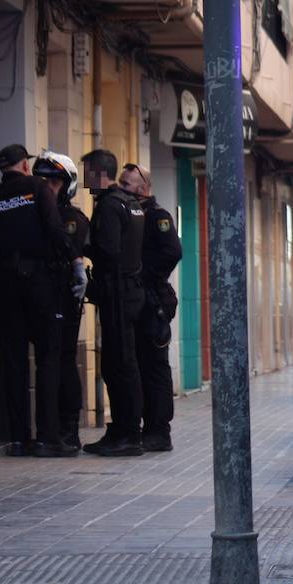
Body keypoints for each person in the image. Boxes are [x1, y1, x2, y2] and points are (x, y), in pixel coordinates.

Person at [0, 144, 86, 457]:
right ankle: (48, 438)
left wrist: (8, 253)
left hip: (5, 286)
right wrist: (75, 262)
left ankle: (19, 438)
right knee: (49, 358)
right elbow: (54, 230)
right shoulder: (38, 189)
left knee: (14, 362)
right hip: (40, 284)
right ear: (25, 166)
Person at [80, 148, 147, 457]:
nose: (84, 180)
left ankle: (126, 433)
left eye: (87, 173)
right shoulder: (131, 204)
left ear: (99, 173)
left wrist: (81, 247)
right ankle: (125, 430)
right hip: (131, 290)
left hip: (118, 293)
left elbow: (107, 251)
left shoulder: (109, 206)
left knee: (118, 365)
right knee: (126, 363)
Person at [118, 162, 182, 453]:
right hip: (136, 299)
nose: (122, 187)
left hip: (153, 301)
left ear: (143, 188)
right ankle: (146, 426)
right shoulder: (129, 214)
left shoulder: (157, 216)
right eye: (120, 182)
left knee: (155, 367)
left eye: (127, 183)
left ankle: (159, 430)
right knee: (139, 365)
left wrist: (143, 275)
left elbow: (173, 251)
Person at [33, 150, 89, 451]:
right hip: (41, 297)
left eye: (54, 182)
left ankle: (69, 429)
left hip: (64, 297)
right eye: (42, 181)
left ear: (67, 185)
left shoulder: (72, 219)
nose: (47, 187)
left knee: (64, 360)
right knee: (48, 362)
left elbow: (69, 249)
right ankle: (50, 430)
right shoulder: (40, 215)